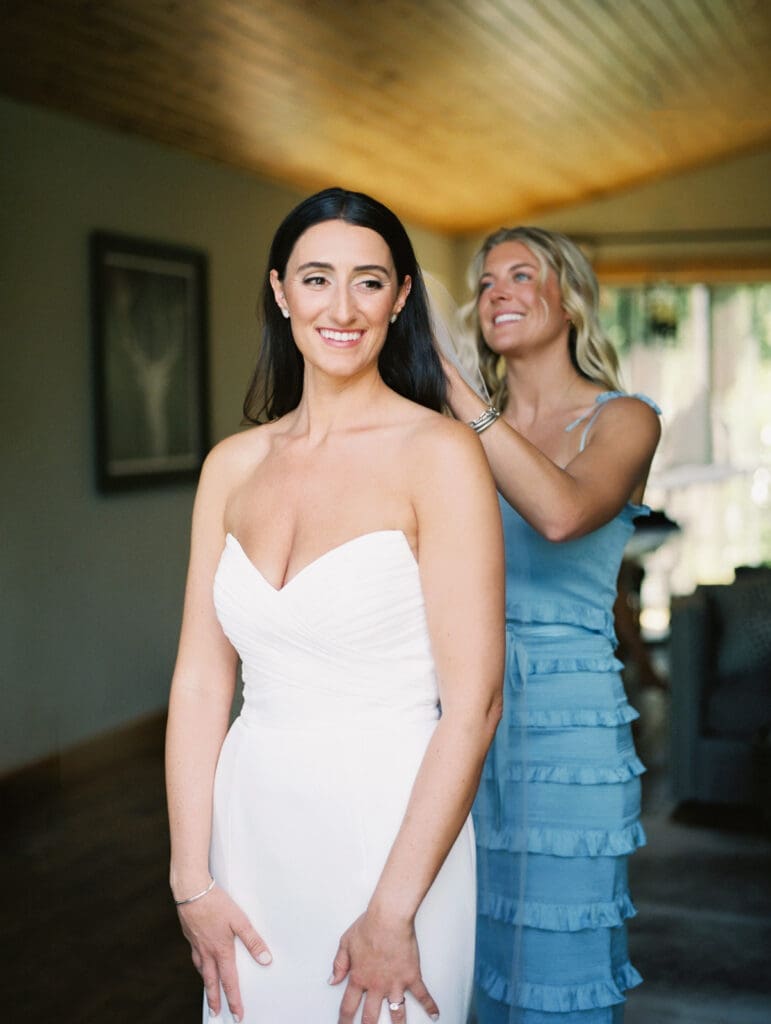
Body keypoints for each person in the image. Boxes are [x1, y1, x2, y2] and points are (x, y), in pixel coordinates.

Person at [165, 187, 505, 1024]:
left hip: (391, 832)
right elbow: (203, 683)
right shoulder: (232, 466)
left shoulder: (441, 454)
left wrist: (392, 910)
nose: (342, 307)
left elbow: (475, 704)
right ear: (281, 293)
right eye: (317, 280)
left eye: (368, 281)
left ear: (400, 297)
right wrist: (188, 879)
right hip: (249, 835)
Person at [440, 227, 662, 1024]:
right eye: (486, 280)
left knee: (554, 962)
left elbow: (563, 515)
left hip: (568, 728)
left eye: (520, 275)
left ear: (567, 298)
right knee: (456, 948)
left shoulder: (625, 419)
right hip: (451, 710)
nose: (497, 290)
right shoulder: (451, 433)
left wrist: (458, 400)